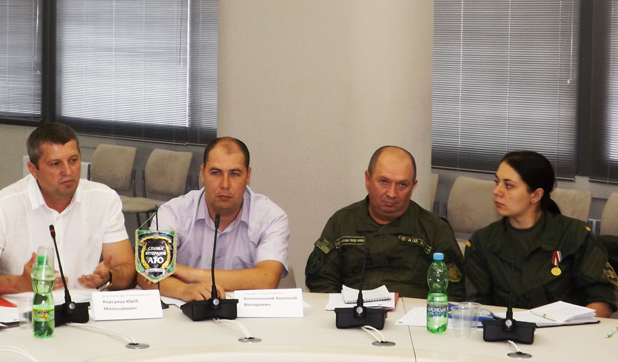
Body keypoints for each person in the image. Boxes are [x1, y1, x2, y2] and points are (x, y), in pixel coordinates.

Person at [0, 123, 135, 295]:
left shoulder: (104, 199)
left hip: (84, 310)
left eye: (73, 160)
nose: (68, 171)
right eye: (55, 164)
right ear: (33, 169)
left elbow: (128, 270)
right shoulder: (3, 206)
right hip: (25, 310)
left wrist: (110, 277)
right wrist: (18, 284)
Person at [464, 151, 617, 317]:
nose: (496, 191)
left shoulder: (575, 236)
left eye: (508, 185)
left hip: (568, 331)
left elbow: (602, 301)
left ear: (536, 195)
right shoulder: (482, 242)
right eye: (497, 182)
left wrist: (575, 327)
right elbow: (478, 307)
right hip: (505, 330)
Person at [138, 137, 289, 301]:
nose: (225, 184)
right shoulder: (173, 212)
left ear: (248, 176)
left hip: (245, 313)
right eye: (216, 173)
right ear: (203, 174)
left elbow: (266, 280)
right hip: (185, 310)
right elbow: (146, 274)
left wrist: (190, 274)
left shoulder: (272, 217)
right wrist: (185, 290)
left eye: (235, 174)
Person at [305, 145, 465, 299]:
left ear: (413, 187)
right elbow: (321, 282)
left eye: (402, 185)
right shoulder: (342, 222)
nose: (392, 193)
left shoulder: (434, 229)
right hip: (354, 312)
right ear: (368, 180)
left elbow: (455, 292)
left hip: (413, 314)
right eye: (384, 182)